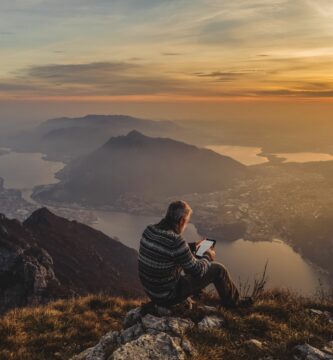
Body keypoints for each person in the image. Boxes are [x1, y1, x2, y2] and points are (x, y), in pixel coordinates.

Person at [138, 200, 252, 308]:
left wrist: (193, 246)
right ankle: (233, 303)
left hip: (151, 291)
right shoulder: (176, 241)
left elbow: (166, 249)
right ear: (182, 220)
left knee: (192, 258)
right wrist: (208, 255)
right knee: (218, 270)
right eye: (187, 222)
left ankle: (198, 295)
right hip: (167, 296)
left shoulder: (150, 230)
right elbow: (198, 271)